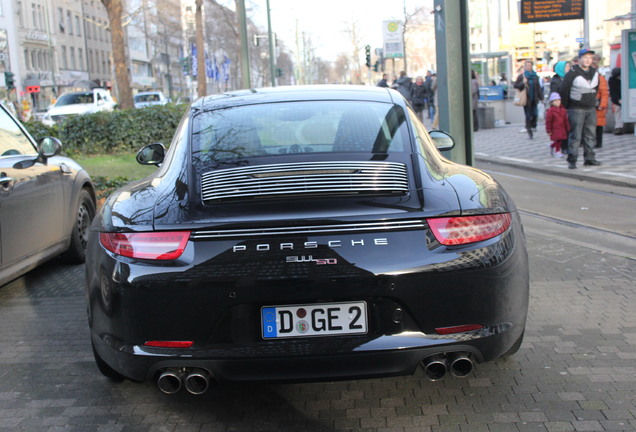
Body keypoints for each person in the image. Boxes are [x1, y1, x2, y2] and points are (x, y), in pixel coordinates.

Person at [559, 48, 601, 169]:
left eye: (590, 58)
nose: (588, 60)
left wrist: (593, 101)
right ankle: (572, 159)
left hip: (590, 108)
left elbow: (596, 89)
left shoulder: (594, 72)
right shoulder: (572, 73)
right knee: (575, 135)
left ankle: (590, 158)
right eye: (585, 57)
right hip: (576, 108)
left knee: (590, 134)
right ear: (579, 59)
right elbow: (564, 90)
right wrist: (568, 105)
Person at [513, 60, 544, 139]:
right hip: (526, 99)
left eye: (530, 66)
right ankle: (529, 131)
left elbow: (538, 88)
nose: (528, 67)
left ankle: (533, 126)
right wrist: (523, 82)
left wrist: (541, 98)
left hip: (534, 98)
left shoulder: (535, 76)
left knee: (535, 114)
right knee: (528, 115)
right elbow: (516, 86)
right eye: (527, 66)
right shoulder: (522, 76)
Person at [591, 54, 608, 148]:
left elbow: (604, 93)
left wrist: (603, 104)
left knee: (598, 125)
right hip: (589, 104)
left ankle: (598, 142)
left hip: (598, 105)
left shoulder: (600, 78)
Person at [545, 92, 569, 158]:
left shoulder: (563, 110)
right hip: (555, 129)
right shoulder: (550, 111)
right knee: (558, 140)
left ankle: (552, 146)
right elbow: (548, 122)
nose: (558, 102)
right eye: (555, 101)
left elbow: (566, 119)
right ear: (552, 102)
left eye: (559, 100)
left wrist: (568, 127)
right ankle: (557, 151)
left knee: (560, 140)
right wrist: (549, 130)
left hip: (562, 128)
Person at [608, 68, 623, 135]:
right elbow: (613, 92)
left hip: (621, 98)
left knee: (618, 112)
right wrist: (617, 100)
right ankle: (618, 127)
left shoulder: (612, 80)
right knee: (618, 111)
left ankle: (619, 127)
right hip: (617, 99)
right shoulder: (612, 80)